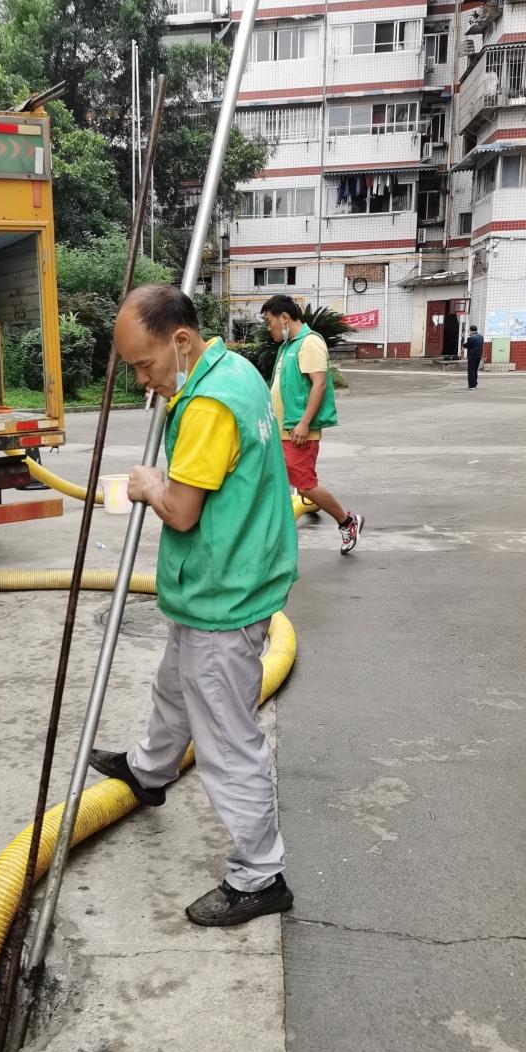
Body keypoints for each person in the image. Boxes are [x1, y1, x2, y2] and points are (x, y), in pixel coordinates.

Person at [89, 284, 298, 927]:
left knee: (228, 741)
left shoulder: (206, 403)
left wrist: (153, 483)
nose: (143, 382)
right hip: (221, 579)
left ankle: (260, 874)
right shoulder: (233, 367)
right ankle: (150, 771)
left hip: (224, 592)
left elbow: (181, 510)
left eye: (145, 365)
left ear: (180, 342)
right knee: (175, 688)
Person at [262, 295, 364, 554]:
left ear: (284, 318)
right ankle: (275, 537)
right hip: (282, 429)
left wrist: (304, 423)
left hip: (298, 431)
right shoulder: (289, 346)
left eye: (268, 321)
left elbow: (319, 383)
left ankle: (348, 521)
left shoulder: (309, 343)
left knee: (305, 485)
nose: (268, 327)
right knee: (277, 482)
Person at [465, 323, 485, 390]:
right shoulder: (481, 337)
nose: (469, 332)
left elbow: (466, 345)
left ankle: (472, 385)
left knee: (471, 370)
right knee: (475, 370)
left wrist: (467, 340)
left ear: (471, 330)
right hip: (478, 356)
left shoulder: (471, 338)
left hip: (472, 356)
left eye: (469, 331)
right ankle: (475, 384)